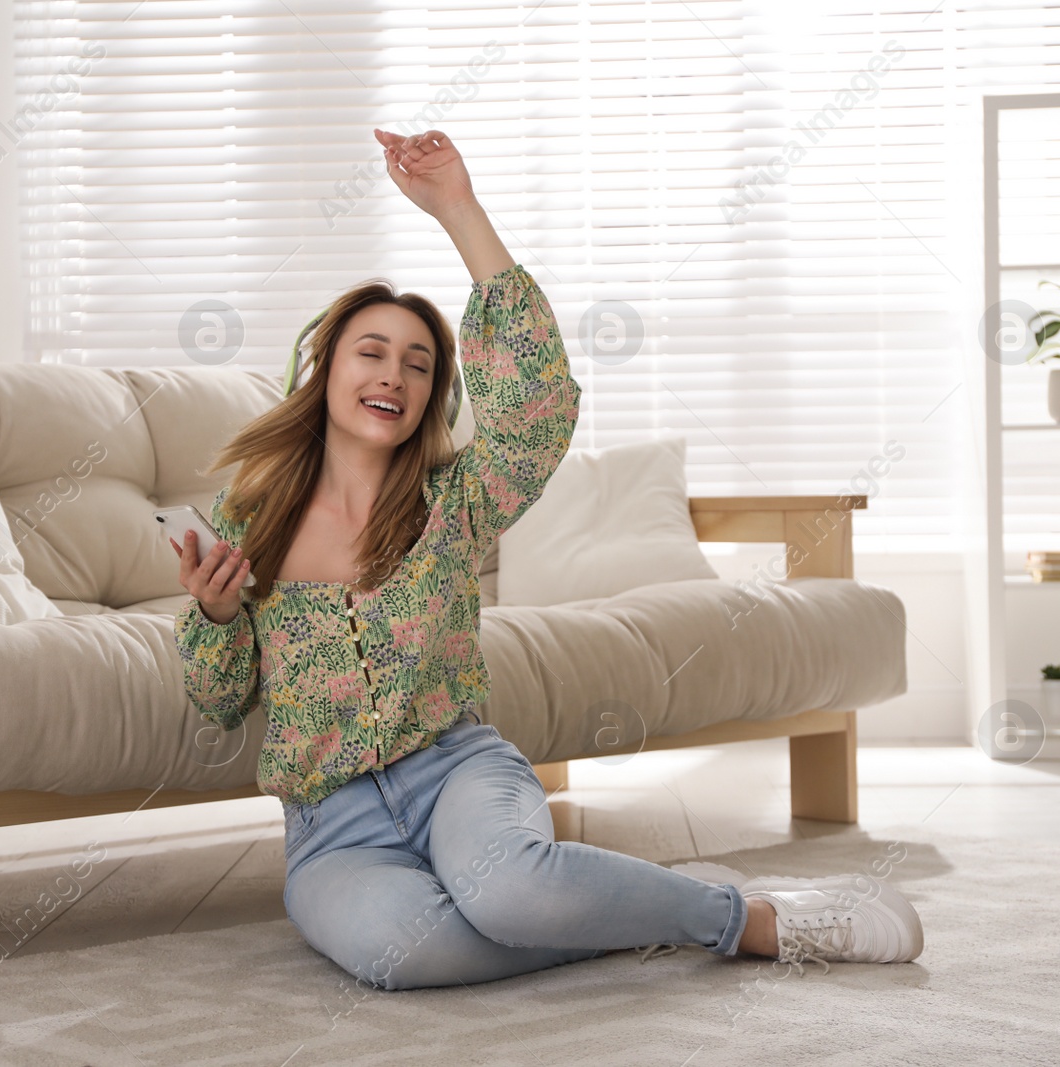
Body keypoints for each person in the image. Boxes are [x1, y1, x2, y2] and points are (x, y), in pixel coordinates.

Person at [169, 126, 924, 991]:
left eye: (419, 364)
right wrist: (217, 616)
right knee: (404, 954)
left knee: (514, 889)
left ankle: (749, 918)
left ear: (431, 398)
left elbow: (537, 408)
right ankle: (632, 907)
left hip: (455, 772)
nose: (395, 375)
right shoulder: (248, 518)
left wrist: (458, 207)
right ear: (325, 371)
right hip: (331, 825)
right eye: (371, 352)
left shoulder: (453, 505)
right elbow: (220, 700)